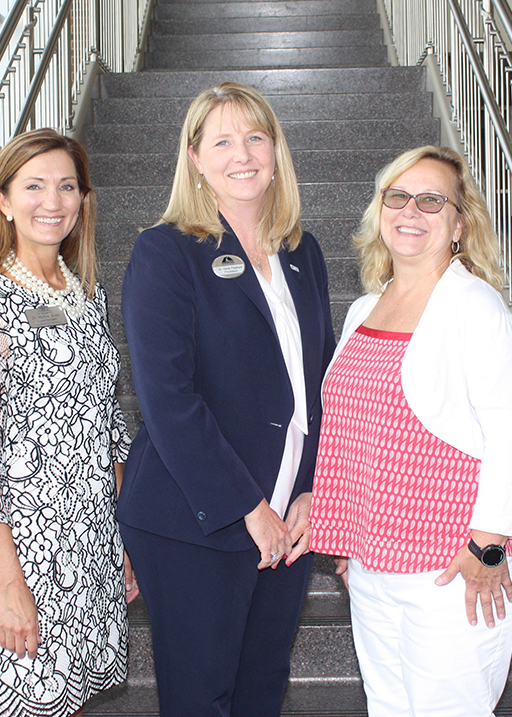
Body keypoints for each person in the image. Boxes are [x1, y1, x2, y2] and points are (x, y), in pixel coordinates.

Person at [117, 82, 336, 717]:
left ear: (276, 150)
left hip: (289, 519)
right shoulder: (166, 252)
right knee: (201, 700)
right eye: (222, 141)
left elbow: (319, 386)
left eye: (255, 137)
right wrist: (248, 504)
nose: (242, 154)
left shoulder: (303, 252)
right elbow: (168, 399)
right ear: (194, 157)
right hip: (197, 519)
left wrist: (311, 492)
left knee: (261, 692)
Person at [308, 146, 512, 717]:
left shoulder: (475, 307)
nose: (412, 211)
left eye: (433, 200)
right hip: (374, 562)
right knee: (388, 705)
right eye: (398, 197)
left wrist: (488, 546)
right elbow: (353, 435)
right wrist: (350, 536)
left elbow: (508, 431)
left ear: (460, 223)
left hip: (452, 564)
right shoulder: (364, 309)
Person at [0, 128, 136, 717]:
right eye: (34, 186)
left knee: (71, 702)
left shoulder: (85, 293)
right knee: (31, 700)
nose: (51, 202)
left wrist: (121, 537)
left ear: (83, 201)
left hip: (89, 540)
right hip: (25, 548)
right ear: (2, 200)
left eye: (66, 187)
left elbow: (107, 426)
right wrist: (8, 583)